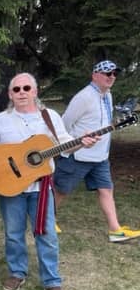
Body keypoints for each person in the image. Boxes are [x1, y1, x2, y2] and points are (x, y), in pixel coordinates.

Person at [0, 73, 96, 290]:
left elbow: (65, 144)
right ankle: (17, 273)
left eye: (26, 88)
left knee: (47, 234)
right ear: (11, 94)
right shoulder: (2, 119)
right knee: (13, 233)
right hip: (12, 186)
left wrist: (80, 142)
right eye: (16, 89)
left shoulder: (49, 117)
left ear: (35, 91)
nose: (21, 93)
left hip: (40, 187)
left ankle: (52, 280)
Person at [54, 60, 140, 243]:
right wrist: (72, 144)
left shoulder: (108, 95)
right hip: (78, 154)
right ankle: (47, 221)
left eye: (114, 74)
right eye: (107, 74)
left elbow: (102, 124)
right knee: (62, 190)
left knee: (107, 190)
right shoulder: (83, 97)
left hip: (101, 157)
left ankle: (115, 230)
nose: (112, 77)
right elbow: (64, 124)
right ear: (95, 75)